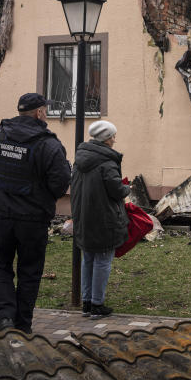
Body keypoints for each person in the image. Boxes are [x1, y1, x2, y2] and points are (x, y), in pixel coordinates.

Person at [0, 93, 71, 333]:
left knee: (0, 266)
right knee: (29, 272)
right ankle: (22, 325)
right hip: (32, 218)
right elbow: (60, 182)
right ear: (40, 113)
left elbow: (0, 164)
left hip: (2, 214)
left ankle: (4, 319)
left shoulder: (0, 134)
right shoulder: (49, 144)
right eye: (46, 110)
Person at [71, 120, 131, 318]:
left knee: (88, 259)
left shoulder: (80, 159)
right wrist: (127, 188)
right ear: (106, 139)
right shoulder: (107, 162)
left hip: (84, 217)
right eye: (113, 136)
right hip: (104, 219)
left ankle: (87, 303)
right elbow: (116, 191)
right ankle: (97, 304)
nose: (115, 140)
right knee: (103, 260)